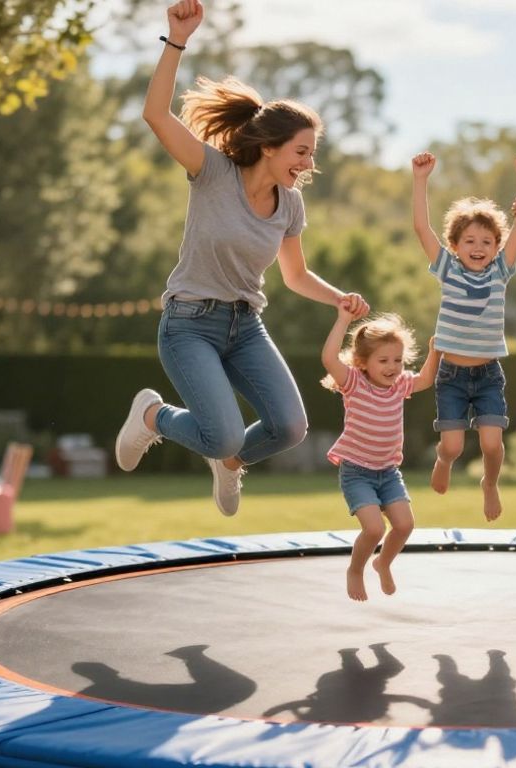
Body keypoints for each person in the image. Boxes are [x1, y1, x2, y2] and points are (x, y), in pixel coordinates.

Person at [115, 0, 370, 516]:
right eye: (302, 151)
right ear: (270, 147)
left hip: (245, 327)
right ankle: (152, 417)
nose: (309, 164)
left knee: (289, 427)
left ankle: (229, 462)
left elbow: (295, 275)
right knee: (223, 432)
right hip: (189, 324)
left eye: (313, 153)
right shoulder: (212, 173)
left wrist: (338, 298)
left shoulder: (289, 204)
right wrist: (177, 39)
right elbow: (155, 115)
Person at [410, 150, 516, 521]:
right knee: (451, 446)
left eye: (486, 241)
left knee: (492, 445)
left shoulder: (500, 272)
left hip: (488, 375)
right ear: (455, 246)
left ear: (496, 247)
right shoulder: (447, 270)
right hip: (451, 376)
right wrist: (420, 180)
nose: (478, 248)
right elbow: (422, 228)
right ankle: (443, 461)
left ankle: (490, 483)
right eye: (469, 241)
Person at [320, 307, 440, 601]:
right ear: (363, 362)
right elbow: (329, 359)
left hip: (387, 472)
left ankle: (383, 562)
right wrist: (343, 320)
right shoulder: (354, 383)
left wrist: (435, 352)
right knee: (373, 529)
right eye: (383, 360)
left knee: (405, 525)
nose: (393, 367)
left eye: (398, 360)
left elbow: (425, 379)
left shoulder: (399, 386)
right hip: (357, 472)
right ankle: (355, 570)